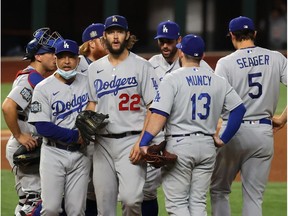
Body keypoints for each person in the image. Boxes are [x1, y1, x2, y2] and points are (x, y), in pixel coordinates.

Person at [135, 34, 246, 216]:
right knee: (198, 204)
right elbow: (239, 110)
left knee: (177, 205)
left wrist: (144, 142)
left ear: (181, 53)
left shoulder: (171, 79)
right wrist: (223, 138)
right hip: (207, 147)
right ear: (202, 56)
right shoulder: (218, 80)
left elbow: (159, 115)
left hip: (180, 147)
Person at [210, 16, 287, 216]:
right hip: (263, 132)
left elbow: (216, 102)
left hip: (233, 132)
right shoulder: (276, 57)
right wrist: (282, 118)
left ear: (232, 36)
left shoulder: (225, 63)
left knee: (219, 190)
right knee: (254, 197)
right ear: (254, 34)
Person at [86, 15, 159, 216]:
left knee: (131, 200)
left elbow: (153, 108)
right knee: (104, 207)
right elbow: (92, 102)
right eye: (111, 32)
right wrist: (86, 117)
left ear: (127, 35)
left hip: (132, 141)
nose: (115, 36)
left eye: (119, 31)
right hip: (102, 143)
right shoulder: (94, 69)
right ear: (105, 37)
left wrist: (143, 141)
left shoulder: (142, 66)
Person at [28, 39, 91, 215]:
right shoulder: (43, 88)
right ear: (55, 59)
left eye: (71, 57)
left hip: (81, 155)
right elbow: (42, 126)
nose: (67, 62)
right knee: (51, 209)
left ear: (78, 60)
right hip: (53, 154)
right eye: (62, 57)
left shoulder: (89, 82)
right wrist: (74, 136)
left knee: (77, 210)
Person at [2, 27, 59, 216]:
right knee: (35, 204)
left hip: (32, 146)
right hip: (24, 146)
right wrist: (19, 135)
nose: (56, 56)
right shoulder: (28, 79)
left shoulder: (38, 78)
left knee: (29, 203)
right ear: (39, 56)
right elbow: (8, 106)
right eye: (51, 52)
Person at [77, 22, 108, 216]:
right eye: (102, 39)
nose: (107, 42)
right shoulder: (75, 63)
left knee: (96, 191)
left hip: (98, 136)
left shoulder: (105, 66)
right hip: (76, 137)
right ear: (91, 43)